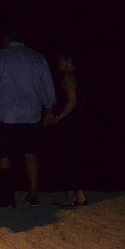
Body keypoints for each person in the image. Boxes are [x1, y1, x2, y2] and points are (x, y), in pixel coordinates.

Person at [0, 27, 56, 207]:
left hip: (5, 115)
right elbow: (47, 87)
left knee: (4, 155)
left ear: (7, 38)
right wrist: (49, 109)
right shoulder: (37, 58)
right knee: (31, 153)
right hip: (31, 114)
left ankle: (7, 196)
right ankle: (33, 194)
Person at [46, 53, 87, 207]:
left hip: (69, 124)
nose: (58, 62)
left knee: (66, 158)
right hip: (78, 123)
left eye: (61, 60)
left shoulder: (68, 77)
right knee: (75, 158)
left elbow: (72, 101)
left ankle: (71, 195)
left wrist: (58, 118)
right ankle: (80, 195)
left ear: (69, 61)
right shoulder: (80, 77)